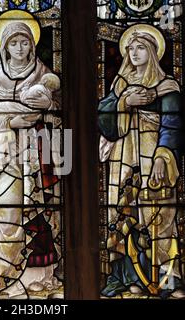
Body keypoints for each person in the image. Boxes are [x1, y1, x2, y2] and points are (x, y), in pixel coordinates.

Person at [0, 21, 63, 299]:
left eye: (24, 42)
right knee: (6, 212)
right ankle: (3, 271)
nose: (19, 48)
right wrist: (7, 120)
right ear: (4, 47)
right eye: (13, 43)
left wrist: (48, 107)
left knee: (35, 208)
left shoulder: (43, 74)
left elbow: (61, 117)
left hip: (36, 156)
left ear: (32, 44)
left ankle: (37, 276)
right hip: (3, 156)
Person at [98, 25, 185, 298]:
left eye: (140, 48)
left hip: (155, 156)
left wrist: (163, 156)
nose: (134, 54)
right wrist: (124, 102)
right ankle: (127, 277)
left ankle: (167, 280)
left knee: (160, 215)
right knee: (125, 212)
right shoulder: (120, 85)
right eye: (130, 49)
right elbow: (103, 120)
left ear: (152, 52)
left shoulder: (167, 87)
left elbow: (173, 124)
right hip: (124, 157)